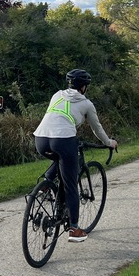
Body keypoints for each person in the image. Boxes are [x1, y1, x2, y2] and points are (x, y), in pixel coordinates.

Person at [33, 69, 117, 243]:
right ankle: (74, 228)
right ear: (84, 87)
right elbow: (97, 129)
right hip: (63, 140)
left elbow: (55, 118)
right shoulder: (86, 104)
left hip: (40, 139)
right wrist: (109, 142)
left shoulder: (57, 95)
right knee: (71, 186)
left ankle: (45, 186)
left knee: (59, 159)